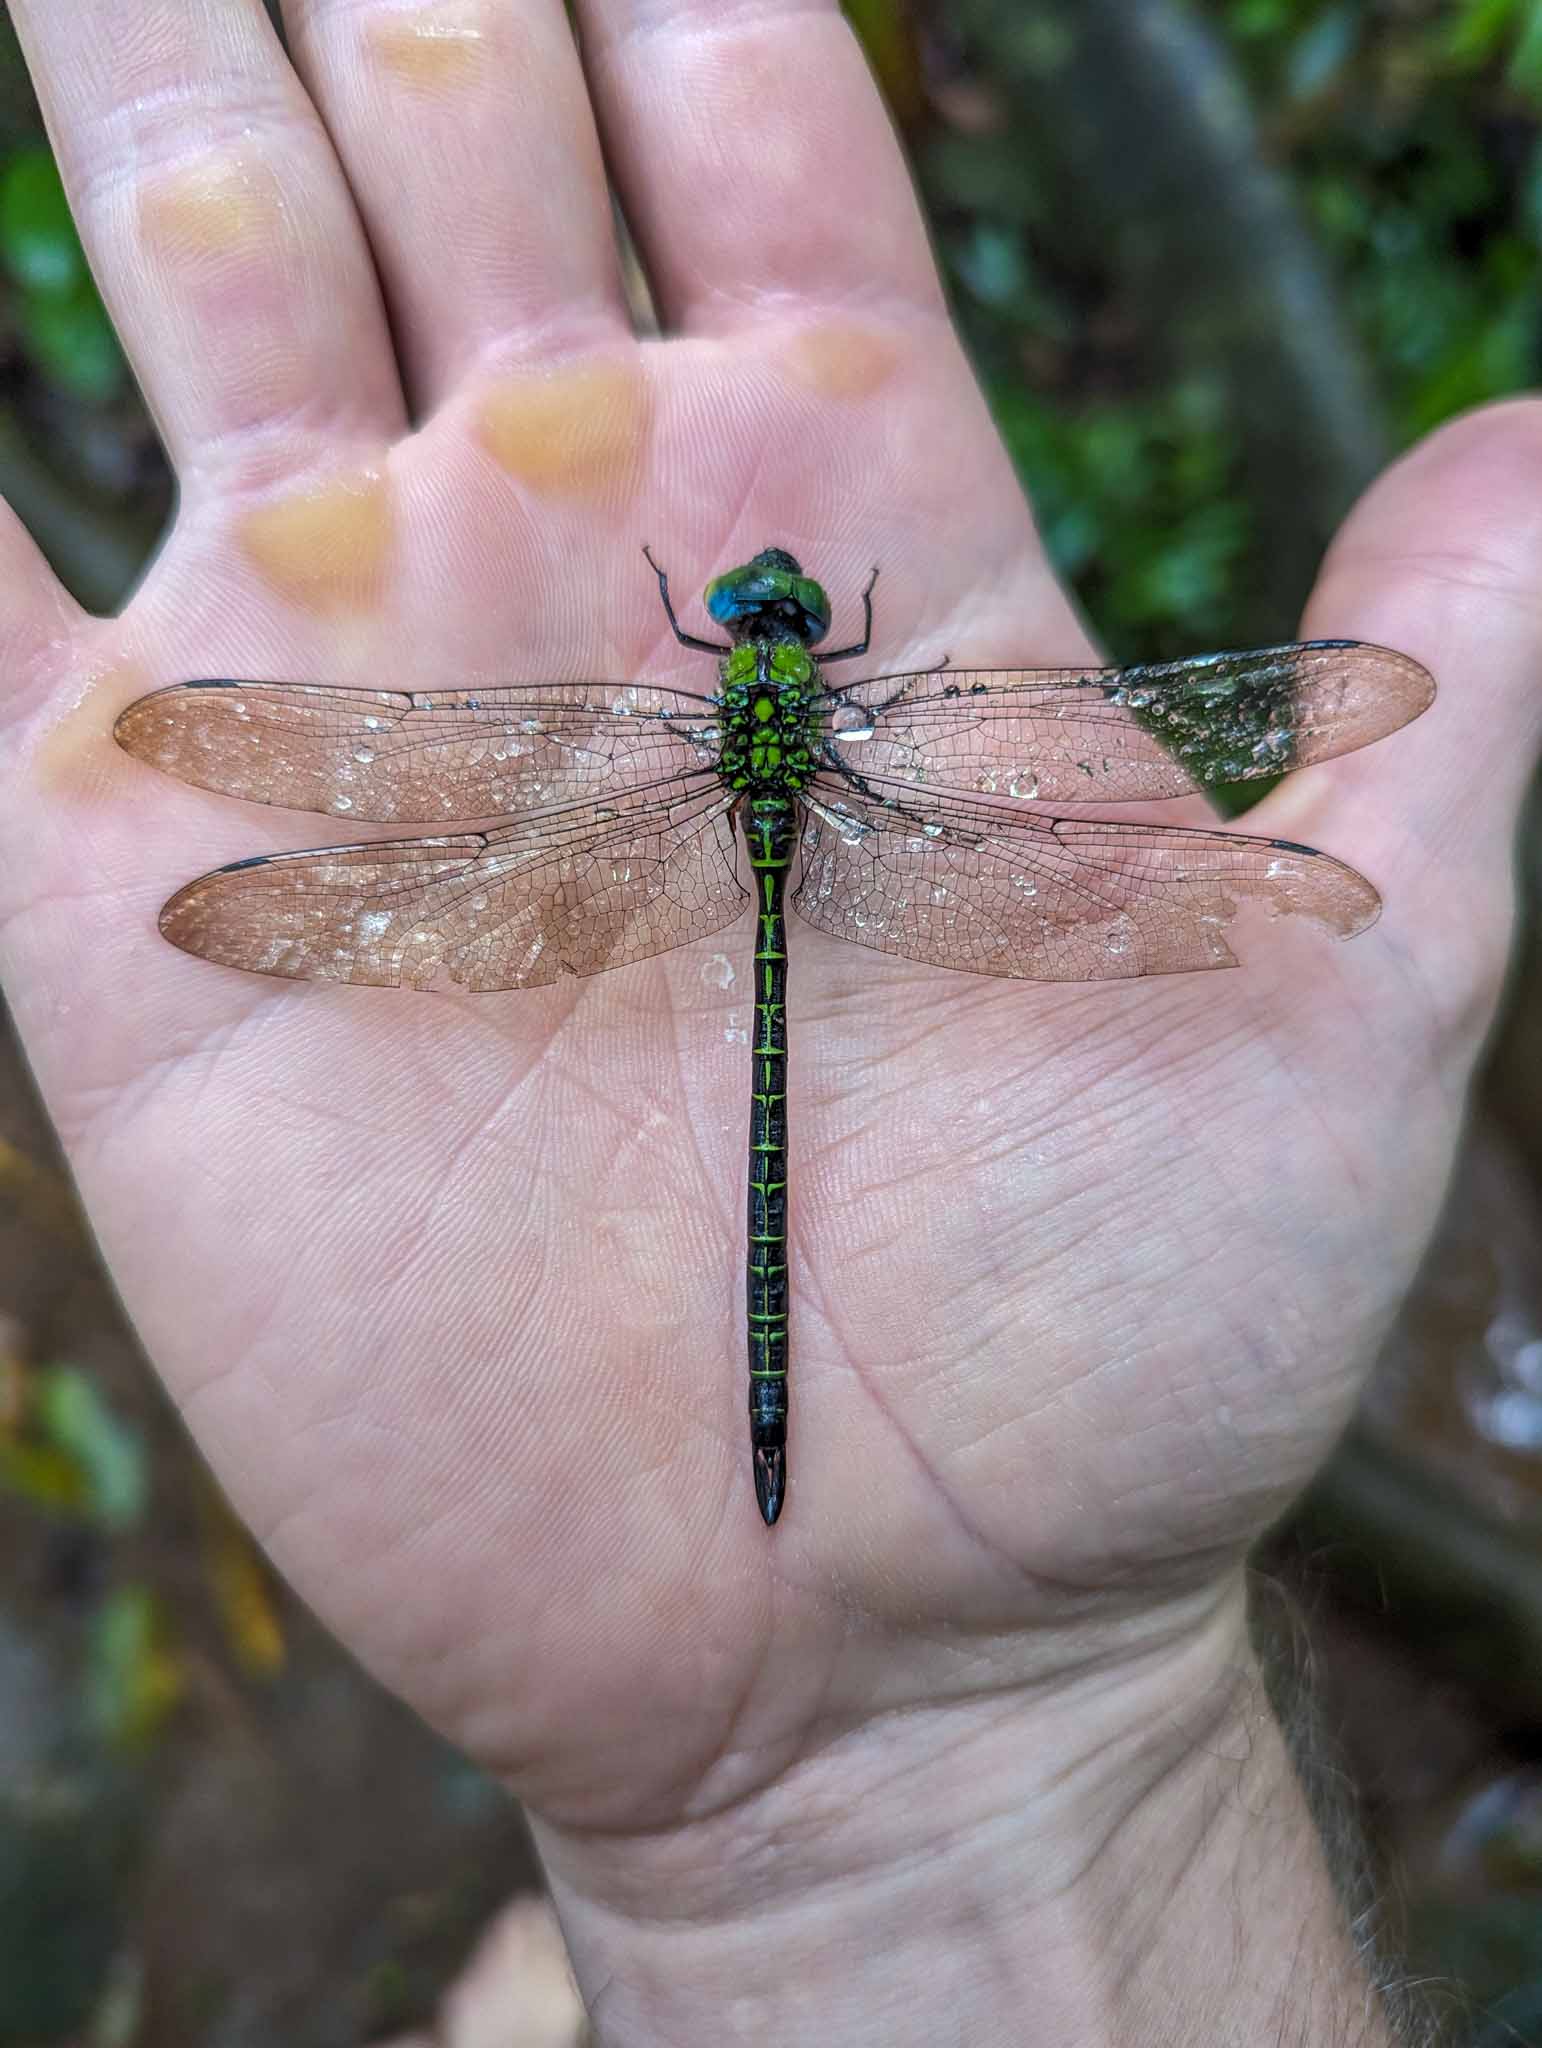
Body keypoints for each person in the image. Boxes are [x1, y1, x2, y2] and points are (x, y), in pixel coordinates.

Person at [2, 3, 1537, 2039]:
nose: (771, 622)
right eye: (770, 618)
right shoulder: (859, 718)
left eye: (764, 618)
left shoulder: (695, 706)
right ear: (804, 652)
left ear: (733, 648)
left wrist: (1004, 1733)